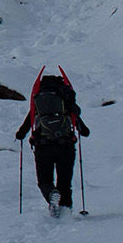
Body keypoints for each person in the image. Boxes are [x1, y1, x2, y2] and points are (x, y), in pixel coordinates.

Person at [15, 69, 89, 216]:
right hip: (66, 146)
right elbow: (85, 131)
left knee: (44, 181)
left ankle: (51, 195)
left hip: (43, 146)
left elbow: (24, 128)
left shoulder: (38, 104)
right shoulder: (66, 102)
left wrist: (20, 135)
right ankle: (66, 212)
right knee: (65, 183)